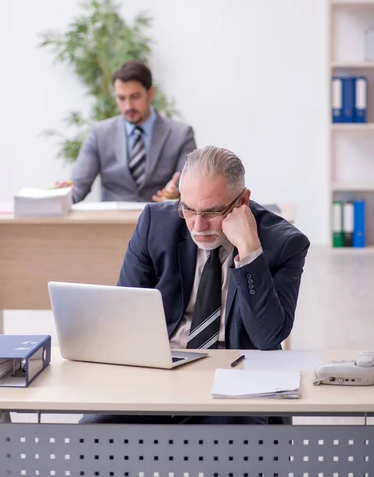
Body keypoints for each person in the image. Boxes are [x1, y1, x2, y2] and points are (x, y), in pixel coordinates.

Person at [81, 146, 310, 425]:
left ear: (243, 201)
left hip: (238, 374)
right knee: (95, 430)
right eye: (188, 209)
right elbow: (124, 319)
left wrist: (249, 252)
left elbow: (267, 337)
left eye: (212, 212)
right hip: (164, 366)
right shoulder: (155, 224)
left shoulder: (285, 244)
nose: (198, 226)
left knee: (237, 441)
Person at [56, 61, 196, 203]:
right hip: (112, 222)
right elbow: (79, 185)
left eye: (135, 97)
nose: (128, 106)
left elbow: (189, 189)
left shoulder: (181, 135)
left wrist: (176, 193)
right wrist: (63, 195)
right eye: (121, 98)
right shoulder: (99, 134)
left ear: (150, 93)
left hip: (160, 219)